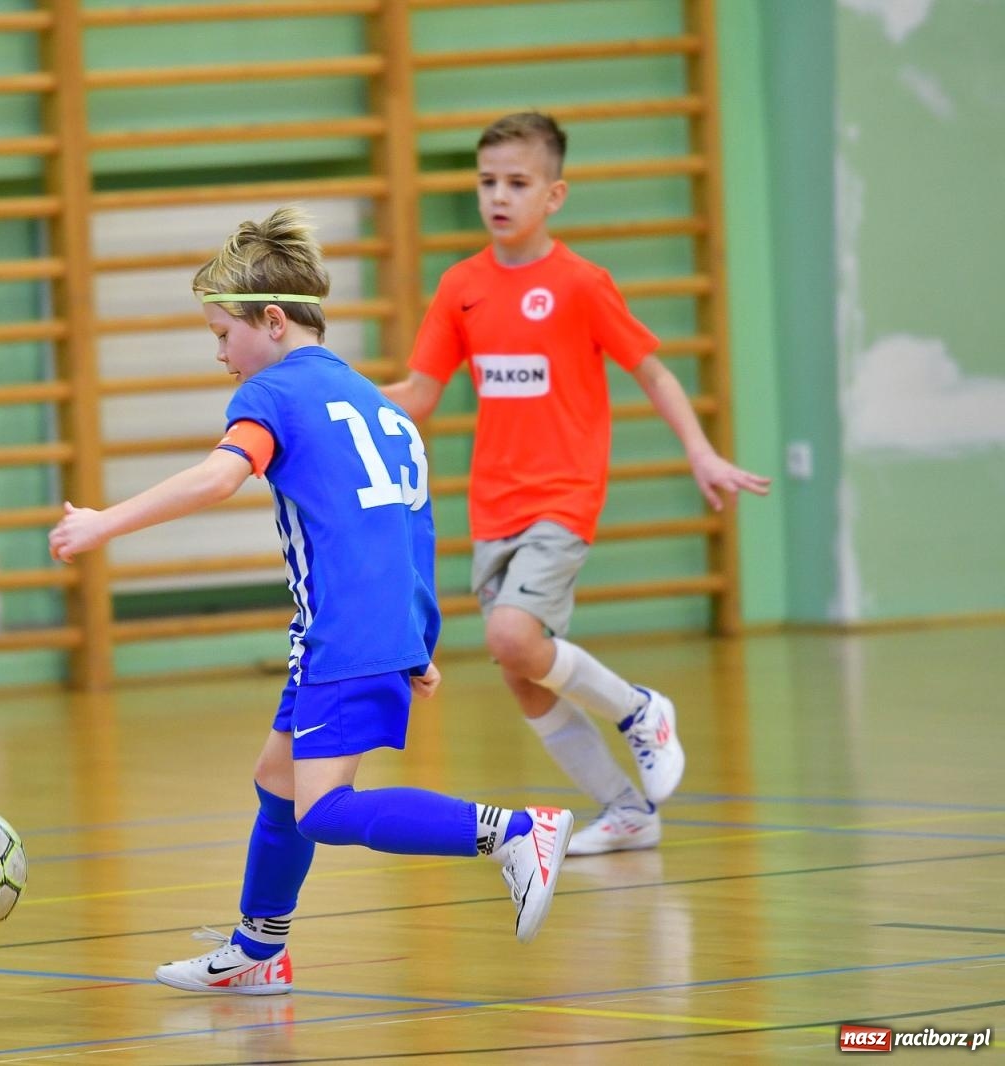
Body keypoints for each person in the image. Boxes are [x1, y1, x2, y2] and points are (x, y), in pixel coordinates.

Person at [49, 206, 574, 995]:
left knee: (321, 810)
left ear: (272, 321)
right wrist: (417, 639)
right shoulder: (374, 400)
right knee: (278, 780)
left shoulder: (277, 393)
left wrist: (103, 524)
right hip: (369, 623)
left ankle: (512, 832)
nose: (220, 355)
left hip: (344, 630)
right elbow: (407, 526)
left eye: (223, 334)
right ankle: (259, 952)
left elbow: (220, 476)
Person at [383, 113, 772, 855]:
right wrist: (338, 398)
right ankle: (627, 810)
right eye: (487, 182)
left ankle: (639, 710)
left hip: (563, 496)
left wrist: (700, 452)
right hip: (492, 504)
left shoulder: (581, 284)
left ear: (554, 194)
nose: (498, 196)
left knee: (510, 635)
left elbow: (652, 371)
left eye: (517, 183)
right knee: (522, 671)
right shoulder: (461, 286)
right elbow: (422, 393)